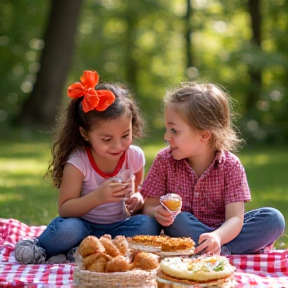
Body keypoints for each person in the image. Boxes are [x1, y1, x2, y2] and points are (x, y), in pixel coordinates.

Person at [15, 70, 159, 264]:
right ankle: (42, 246)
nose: (118, 146)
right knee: (67, 229)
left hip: (117, 228)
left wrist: (138, 200)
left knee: (147, 224)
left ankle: (86, 250)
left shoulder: (134, 156)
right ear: (85, 134)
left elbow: (136, 195)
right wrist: (99, 196)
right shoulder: (78, 162)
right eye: (107, 139)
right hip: (82, 225)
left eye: (125, 135)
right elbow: (65, 209)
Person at [141, 81, 285, 256]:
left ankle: (217, 249)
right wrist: (158, 212)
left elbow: (235, 218)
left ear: (204, 135)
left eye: (174, 130)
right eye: (167, 129)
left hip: (225, 231)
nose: (166, 136)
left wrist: (217, 236)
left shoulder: (231, 166)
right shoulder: (164, 160)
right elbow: (148, 207)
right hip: (186, 229)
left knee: (273, 219)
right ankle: (224, 250)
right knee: (178, 219)